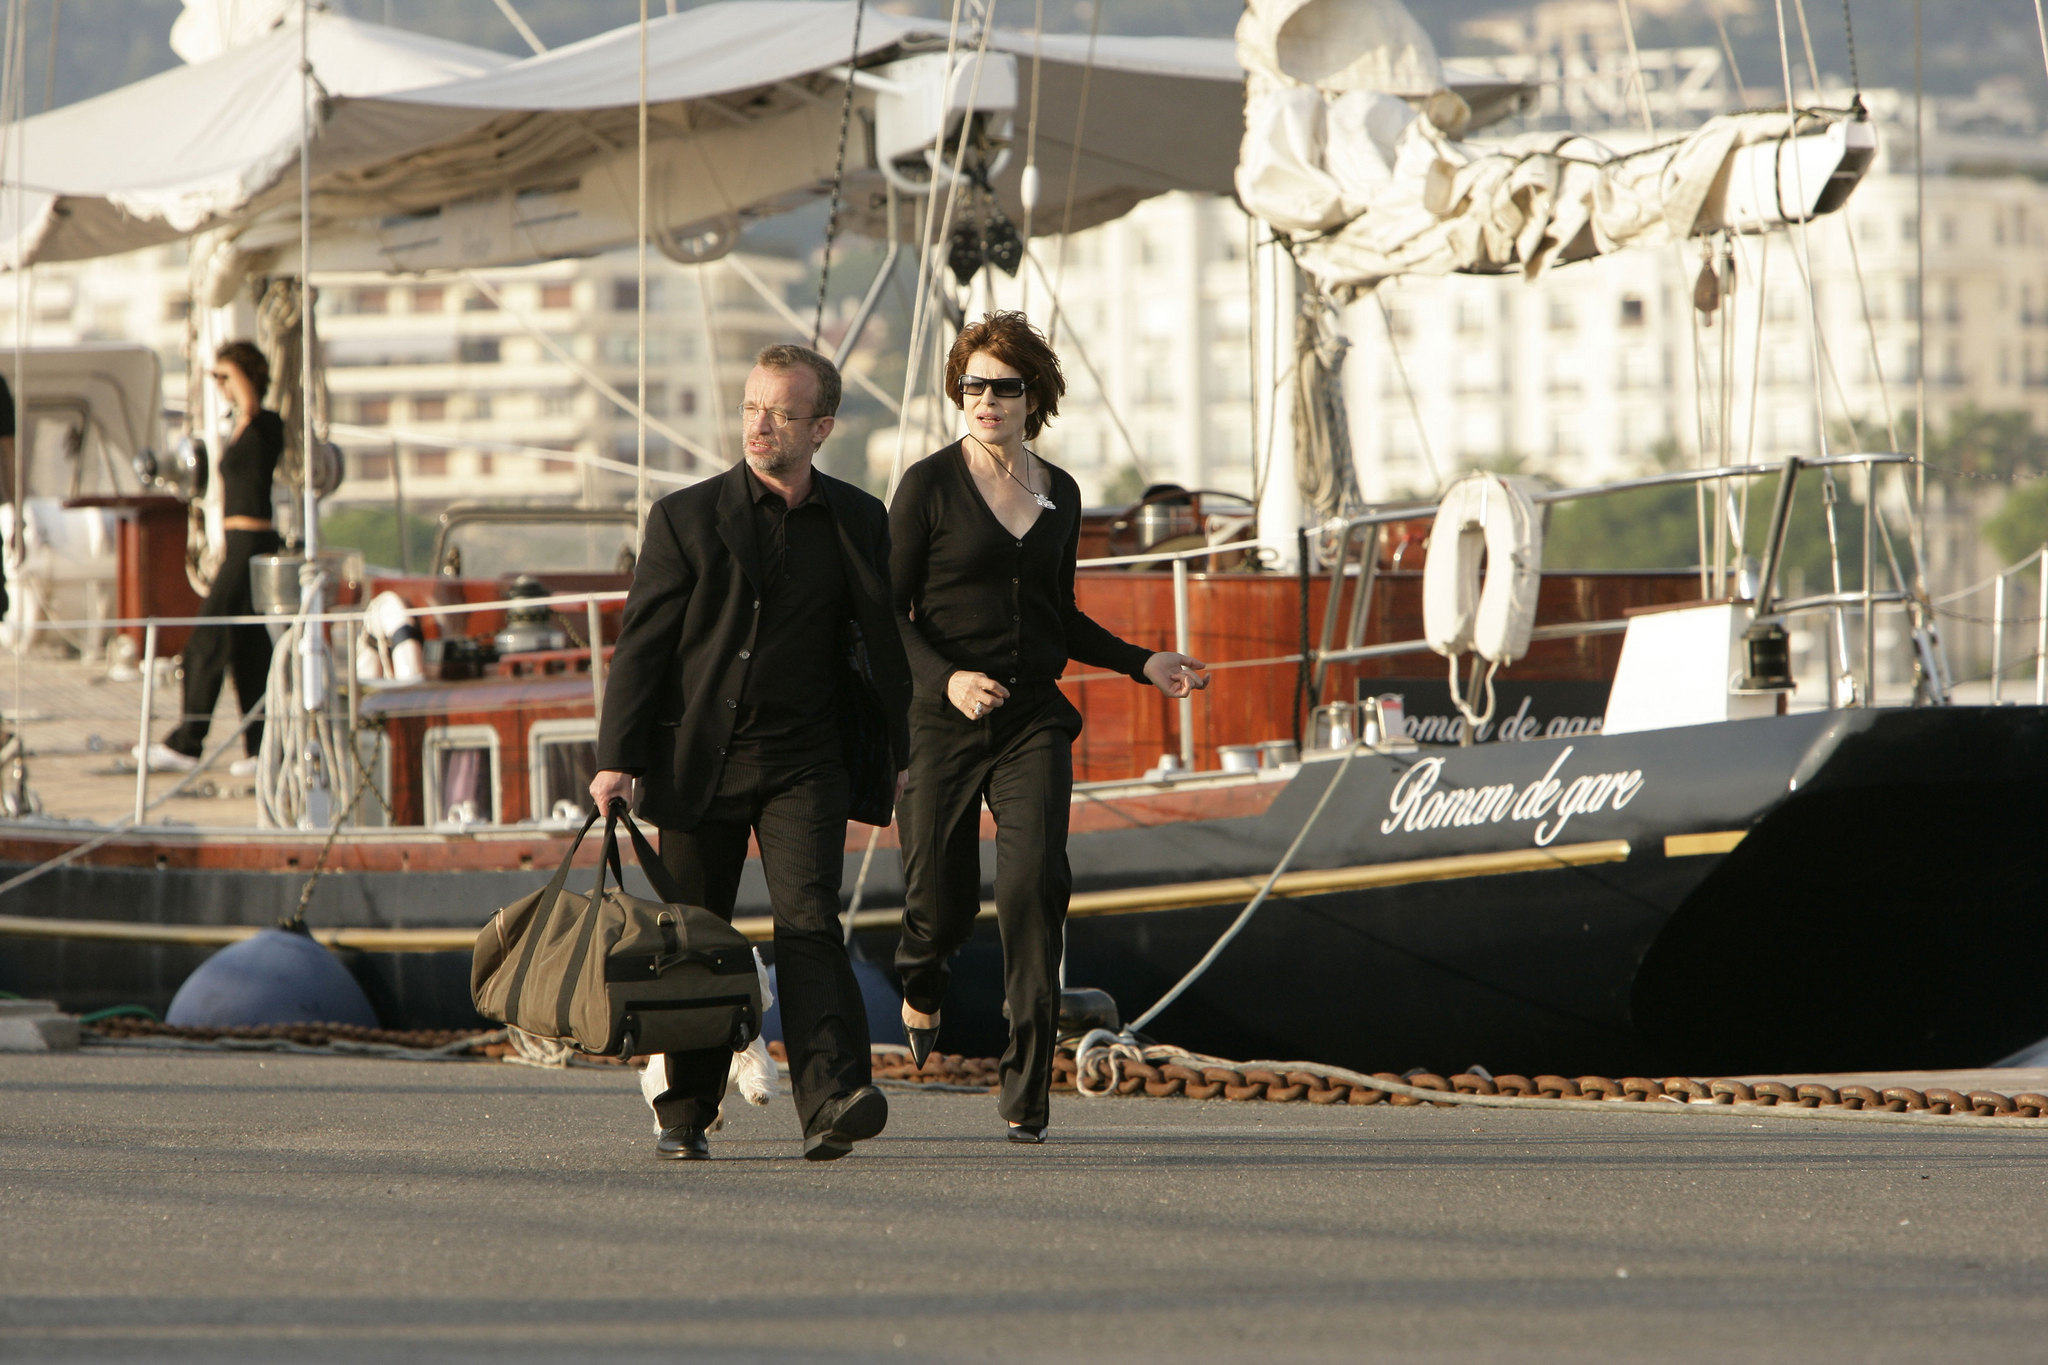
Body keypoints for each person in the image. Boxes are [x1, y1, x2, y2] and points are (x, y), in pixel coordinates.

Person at [890, 311, 1208, 1144]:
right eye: (971, 386)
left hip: (1033, 715)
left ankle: (1027, 1090)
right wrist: (948, 677)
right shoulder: (926, 486)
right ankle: (920, 980)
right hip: (943, 716)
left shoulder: (1059, 493)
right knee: (938, 908)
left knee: (1034, 889)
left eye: (1002, 386)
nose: (984, 400)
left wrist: (1145, 662)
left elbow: (1058, 614)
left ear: (1035, 395)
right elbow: (886, 615)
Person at [590, 343, 912, 1163]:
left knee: (810, 922)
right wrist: (617, 757)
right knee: (699, 936)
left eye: (780, 412)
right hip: (703, 759)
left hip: (808, 760)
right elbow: (642, 648)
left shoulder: (857, 518)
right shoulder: (686, 517)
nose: (760, 424)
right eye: (751, 407)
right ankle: (687, 1108)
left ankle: (831, 1099)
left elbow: (879, 642)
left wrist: (903, 749)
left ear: (822, 427)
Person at [138, 342, 283, 776]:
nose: (220, 386)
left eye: (225, 377)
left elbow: (252, 401)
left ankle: (188, 742)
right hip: (237, 544)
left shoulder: (265, 423)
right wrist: (220, 380)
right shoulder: (238, 425)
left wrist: (234, 374)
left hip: (253, 544)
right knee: (250, 650)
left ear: (245, 376)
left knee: (207, 639)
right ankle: (263, 750)